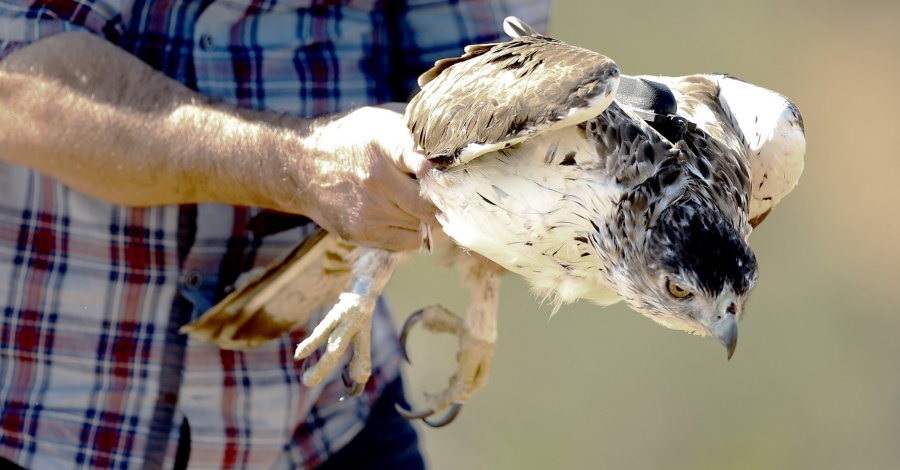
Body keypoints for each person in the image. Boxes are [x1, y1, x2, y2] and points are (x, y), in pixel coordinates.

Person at [0, 0, 550, 468]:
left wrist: (503, 186)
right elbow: (17, 88)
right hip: (49, 412)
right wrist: (302, 167)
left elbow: (495, 87)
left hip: (327, 414)